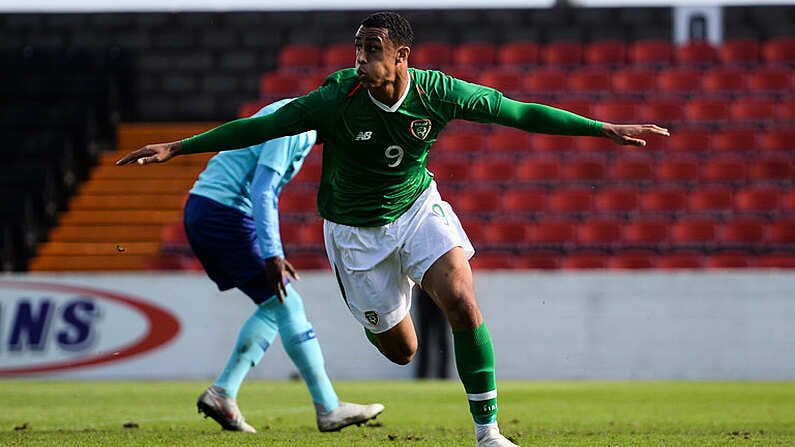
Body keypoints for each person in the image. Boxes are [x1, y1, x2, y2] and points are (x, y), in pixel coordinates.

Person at [117, 11, 669, 446]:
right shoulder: (338, 97)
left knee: (463, 301)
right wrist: (179, 147)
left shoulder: (439, 93)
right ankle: (383, 307)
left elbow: (518, 112)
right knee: (401, 350)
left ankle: (488, 433)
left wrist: (602, 129)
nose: (360, 59)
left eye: (372, 50)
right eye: (357, 48)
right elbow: (261, 125)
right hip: (355, 234)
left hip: (415, 208)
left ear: (402, 55)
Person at [182, 98, 383, 433]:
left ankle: (224, 392)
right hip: (224, 212)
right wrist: (273, 255)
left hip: (209, 208)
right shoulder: (296, 125)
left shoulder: (299, 117)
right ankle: (328, 407)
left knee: (277, 305)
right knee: (287, 303)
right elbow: (263, 190)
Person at [413, 285, 451, 379]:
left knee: (442, 339)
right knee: (424, 339)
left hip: (440, 292)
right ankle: (422, 375)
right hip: (426, 292)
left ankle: (443, 376)